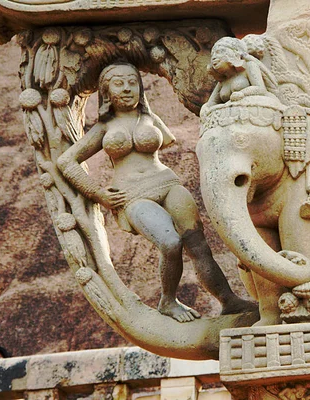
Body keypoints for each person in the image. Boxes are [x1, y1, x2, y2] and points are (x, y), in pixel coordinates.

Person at [58, 62, 255, 322]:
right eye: (119, 83)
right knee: (170, 242)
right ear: (106, 92)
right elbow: (66, 161)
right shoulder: (104, 128)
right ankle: (168, 301)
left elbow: (176, 134)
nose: (127, 88)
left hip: (166, 182)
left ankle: (228, 300)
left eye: (132, 82)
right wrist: (98, 193)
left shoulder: (149, 119)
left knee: (199, 246)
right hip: (131, 194)